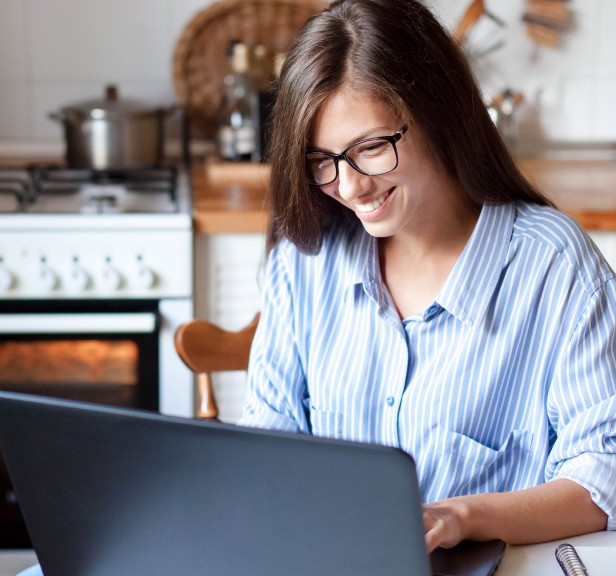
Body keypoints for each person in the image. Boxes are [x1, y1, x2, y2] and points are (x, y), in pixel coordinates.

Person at [237, 0, 615, 553]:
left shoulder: (554, 268)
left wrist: (459, 518)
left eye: (370, 148)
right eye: (321, 159)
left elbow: (602, 475)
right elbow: (268, 441)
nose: (349, 186)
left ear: (440, 114)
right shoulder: (306, 258)